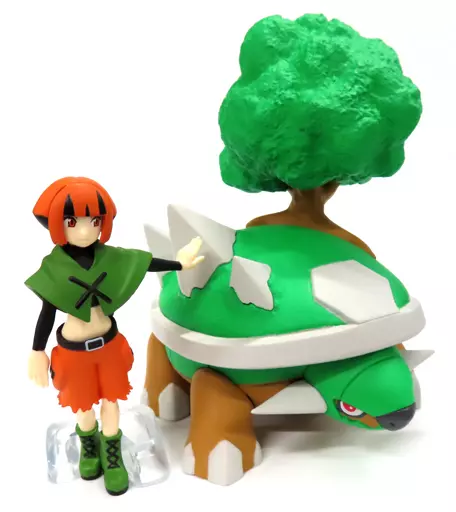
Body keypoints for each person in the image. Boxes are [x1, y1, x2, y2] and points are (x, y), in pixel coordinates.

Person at [25, 176, 204, 496]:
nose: (84, 231)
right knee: (82, 406)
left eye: (94, 221)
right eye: (72, 221)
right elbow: (47, 311)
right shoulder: (55, 266)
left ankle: (112, 453)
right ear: (58, 224)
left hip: (108, 347)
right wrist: (38, 350)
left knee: (111, 400)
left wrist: (179, 263)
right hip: (73, 352)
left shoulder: (110, 257)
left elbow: (142, 262)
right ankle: (89, 445)